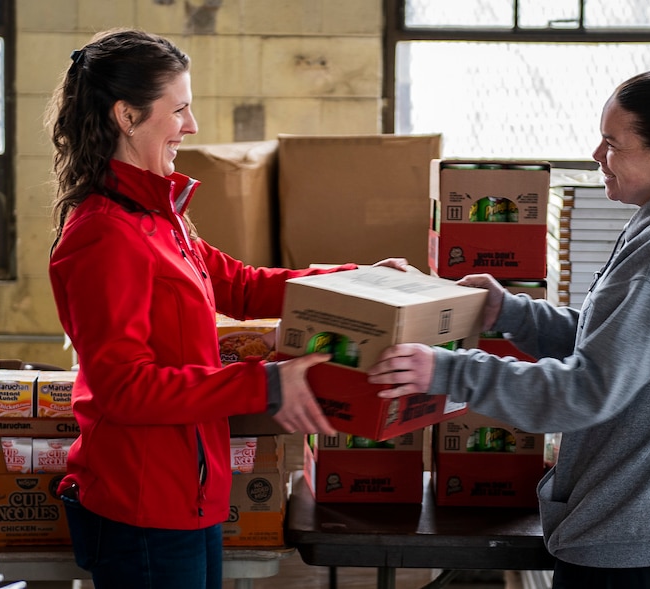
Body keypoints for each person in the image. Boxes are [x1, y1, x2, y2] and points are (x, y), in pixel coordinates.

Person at [367, 69, 650, 589]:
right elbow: (622, 343)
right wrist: (508, 311)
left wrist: (446, 369)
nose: (595, 155)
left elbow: (584, 391)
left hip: (641, 536)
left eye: (612, 143)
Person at [45, 28, 406, 589]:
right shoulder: (106, 236)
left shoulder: (157, 218)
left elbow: (239, 286)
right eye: (181, 109)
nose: (191, 126)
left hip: (188, 494)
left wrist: (359, 279)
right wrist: (266, 383)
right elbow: (123, 388)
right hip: (143, 508)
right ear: (127, 116)